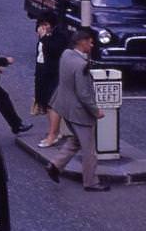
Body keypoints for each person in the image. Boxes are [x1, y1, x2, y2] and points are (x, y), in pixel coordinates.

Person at [45, 29, 109, 192]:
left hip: (64, 107)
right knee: (89, 150)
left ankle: (55, 165)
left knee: (76, 141)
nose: (92, 44)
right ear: (82, 42)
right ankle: (91, 182)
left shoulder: (66, 55)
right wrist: (96, 111)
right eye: (90, 42)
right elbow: (84, 94)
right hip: (79, 112)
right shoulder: (81, 66)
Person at [34, 15, 67, 148]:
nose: (44, 27)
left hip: (54, 73)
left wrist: (44, 38)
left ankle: (52, 135)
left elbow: (54, 51)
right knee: (44, 102)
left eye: (46, 24)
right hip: (42, 72)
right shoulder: (45, 36)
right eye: (42, 24)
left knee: (52, 104)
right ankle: (55, 131)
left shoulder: (59, 36)